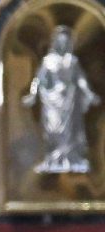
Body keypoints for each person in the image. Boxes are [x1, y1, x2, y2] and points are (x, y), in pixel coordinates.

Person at [22, 25, 101, 174]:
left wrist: (89, 94)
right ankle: (52, 159)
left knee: (71, 132)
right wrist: (32, 95)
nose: (63, 44)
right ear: (55, 42)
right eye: (60, 41)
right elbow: (38, 80)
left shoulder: (72, 61)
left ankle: (71, 160)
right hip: (52, 102)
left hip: (70, 101)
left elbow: (81, 80)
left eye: (66, 42)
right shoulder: (48, 61)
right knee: (53, 130)